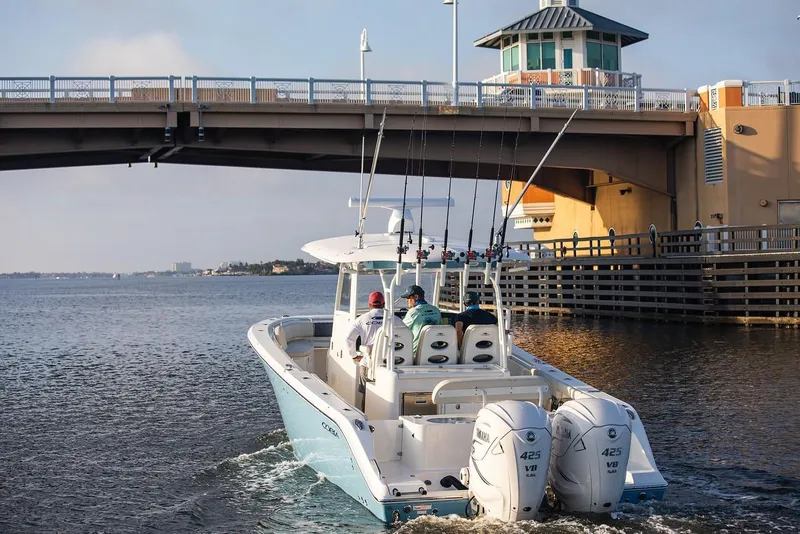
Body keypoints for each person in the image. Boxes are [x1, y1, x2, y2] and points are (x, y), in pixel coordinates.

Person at [400, 284, 442, 353]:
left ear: (416, 297)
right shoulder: (436, 310)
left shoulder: (413, 312)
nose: (406, 300)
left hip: (416, 353)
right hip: (435, 351)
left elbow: (400, 330)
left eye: (408, 297)